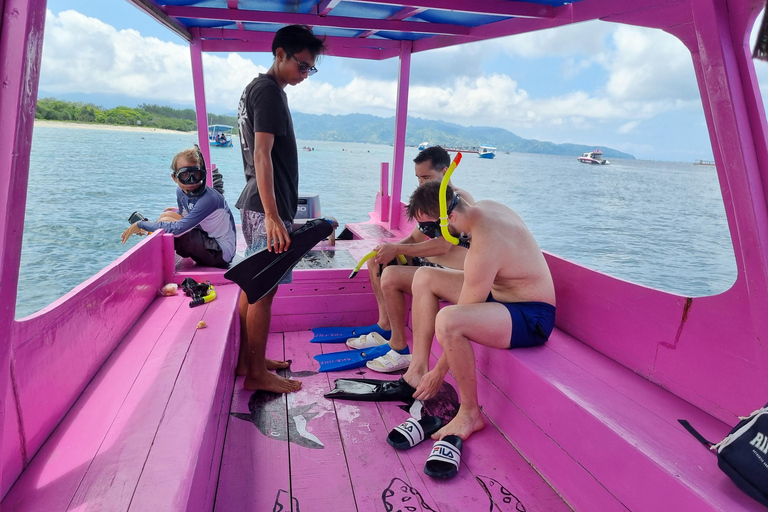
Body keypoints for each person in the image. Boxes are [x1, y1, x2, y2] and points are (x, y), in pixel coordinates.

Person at [402, 180, 556, 442]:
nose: (431, 235)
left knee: (449, 319)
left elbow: (461, 315)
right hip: (502, 296)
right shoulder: (484, 207)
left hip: (530, 316)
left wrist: (439, 373)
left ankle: (470, 412)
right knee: (425, 277)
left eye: (430, 228)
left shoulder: (485, 239)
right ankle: (416, 370)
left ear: (449, 216)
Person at [235, 25, 325, 393]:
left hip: (259, 204)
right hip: (264, 209)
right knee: (263, 291)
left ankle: (248, 360)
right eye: (301, 65)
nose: (304, 74)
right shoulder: (269, 92)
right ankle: (256, 373)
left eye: (310, 69)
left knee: (253, 288)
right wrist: (273, 215)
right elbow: (262, 154)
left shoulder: (258, 89)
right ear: (279, 54)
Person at [357, 147, 475, 372]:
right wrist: (388, 249)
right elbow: (414, 237)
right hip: (428, 265)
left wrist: (398, 251)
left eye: (427, 177)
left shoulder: (460, 199)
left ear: (445, 171)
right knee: (376, 262)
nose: (421, 183)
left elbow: (444, 244)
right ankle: (386, 326)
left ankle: (399, 346)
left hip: (452, 273)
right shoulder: (428, 199)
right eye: (418, 177)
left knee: (391, 275)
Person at [121, 147, 236, 269]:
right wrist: (161, 221)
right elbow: (183, 215)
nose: (191, 182)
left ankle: (151, 252)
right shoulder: (181, 192)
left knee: (170, 227)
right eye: (185, 175)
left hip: (220, 254)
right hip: (208, 239)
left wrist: (141, 224)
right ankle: (150, 233)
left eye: (196, 175)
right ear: (174, 177)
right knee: (167, 215)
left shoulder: (209, 199)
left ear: (202, 175)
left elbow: (178, 229)